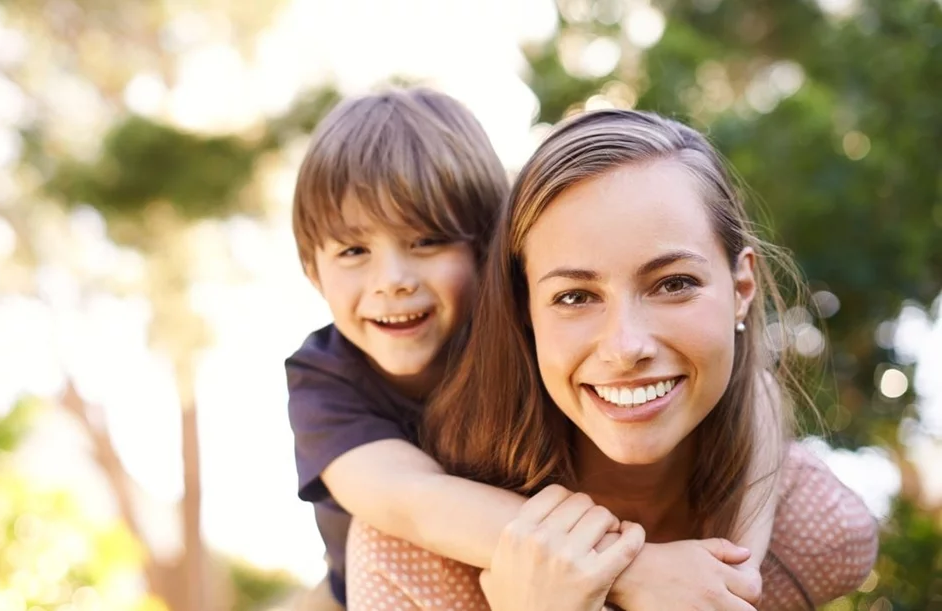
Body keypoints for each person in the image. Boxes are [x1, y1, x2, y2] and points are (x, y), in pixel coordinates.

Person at [287, 93, 876, 610]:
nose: (393, 279)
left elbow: (759, 393)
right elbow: (411, 502)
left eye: (428, 240)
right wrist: (632, 569)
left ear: (492, 259)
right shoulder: (330, 381)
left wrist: (736, 567)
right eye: (352, 251)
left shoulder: (819, 525)